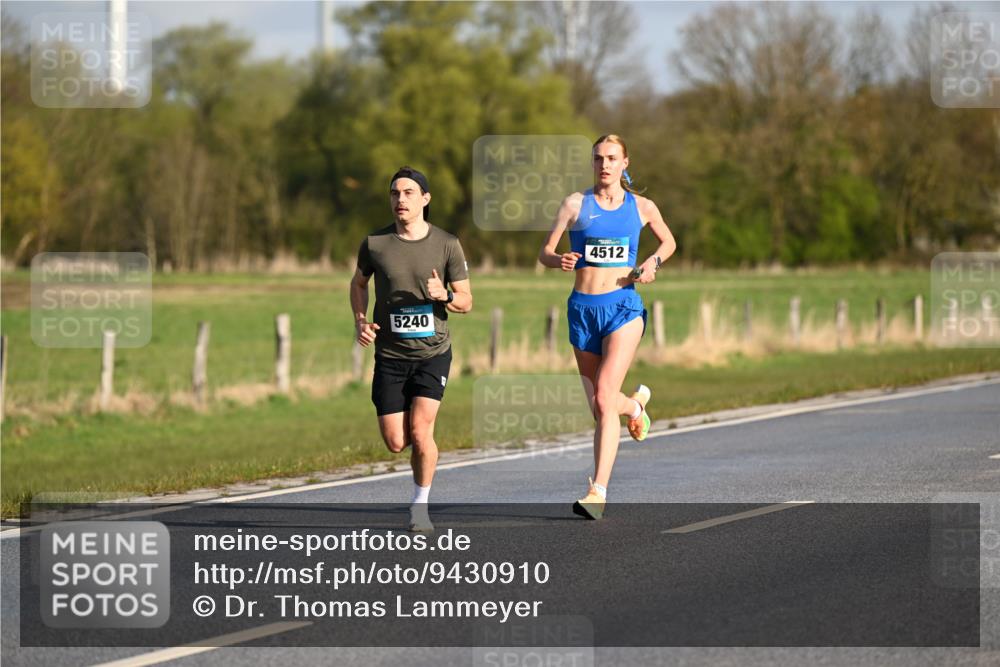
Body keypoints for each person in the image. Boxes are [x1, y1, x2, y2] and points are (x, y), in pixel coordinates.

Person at [538, 134, 676, 520]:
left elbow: (668, 243)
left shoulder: (642, 207)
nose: (605, 165)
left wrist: (651, 265)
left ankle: (597, 492)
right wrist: (558, 259)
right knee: (602, 409)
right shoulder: (575, 204)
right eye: (599, 158)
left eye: (612, 158)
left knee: (602, 396)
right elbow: (544, 252)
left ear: (625, 163)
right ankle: (635, 407)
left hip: (623, 307)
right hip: (582, 310)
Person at [350, 166, 473, 532]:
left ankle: (420, 506)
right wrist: (360, 319)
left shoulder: (447, 244)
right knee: (396, 441)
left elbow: (466, 301)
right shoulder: (375, 243)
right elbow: (358, 284)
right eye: (394, 193)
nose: (400, 200)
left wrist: (445, 296)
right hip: (389, 356)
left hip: (433, 353)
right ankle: (419, 466)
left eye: (407, 193)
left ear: (425, 199)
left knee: (421, 432)